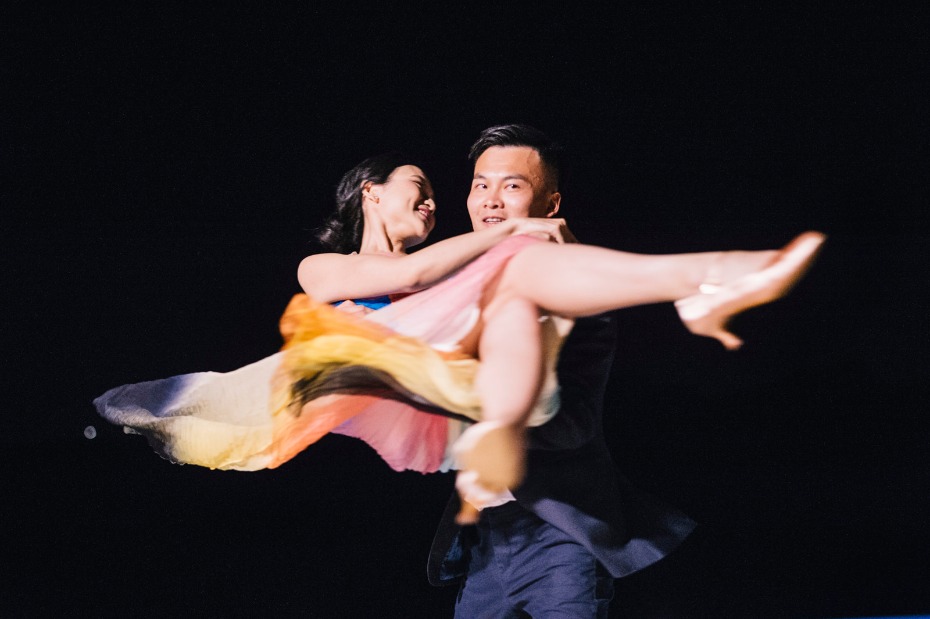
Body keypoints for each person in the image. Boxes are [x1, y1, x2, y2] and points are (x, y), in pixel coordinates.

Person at [94, 136, 823, 616]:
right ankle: (706, 279)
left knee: (519, 281)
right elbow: (412, 270)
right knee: (515, 270)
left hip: (548, 516)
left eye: (492, 189)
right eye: (430, 187)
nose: (446, 201)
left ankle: (708, 279)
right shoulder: (328, 267)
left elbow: (568, 414)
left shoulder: (480, 272)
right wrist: (506, 232)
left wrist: (509, 252)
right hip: (355, 383)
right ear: (370, 194)